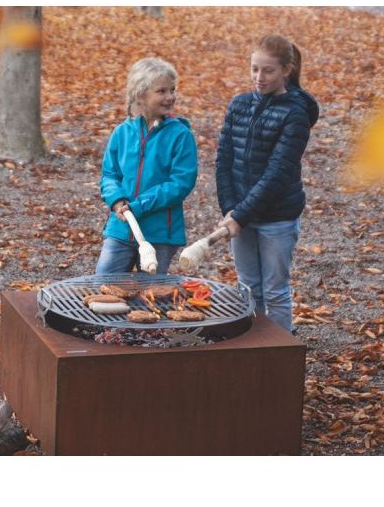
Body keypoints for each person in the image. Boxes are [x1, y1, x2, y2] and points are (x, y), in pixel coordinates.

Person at [215, 35, 320, 332]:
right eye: (254, 69)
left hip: (277, 218)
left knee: (275, 291)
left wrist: (240, 215)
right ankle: (254, 347)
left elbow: (278, 172)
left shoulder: (295, 114)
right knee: (248, 288)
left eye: (268, 70)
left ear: (286, 70)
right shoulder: (239, 105)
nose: (259, 77)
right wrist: (230, 209)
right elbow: (223, 160)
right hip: (240, 215)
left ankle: (280, 349)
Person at [97, 57, 198, 275]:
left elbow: (181, 183)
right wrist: (117, 200)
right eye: (161, 91)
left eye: (172, 90)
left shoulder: (180, 135)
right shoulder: (122, 133)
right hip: (121, 229)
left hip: (160, 233)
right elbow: (109, 174)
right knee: (104, 283)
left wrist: (140, 205)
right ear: (140, 94)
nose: (170, 97)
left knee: (150, 292)